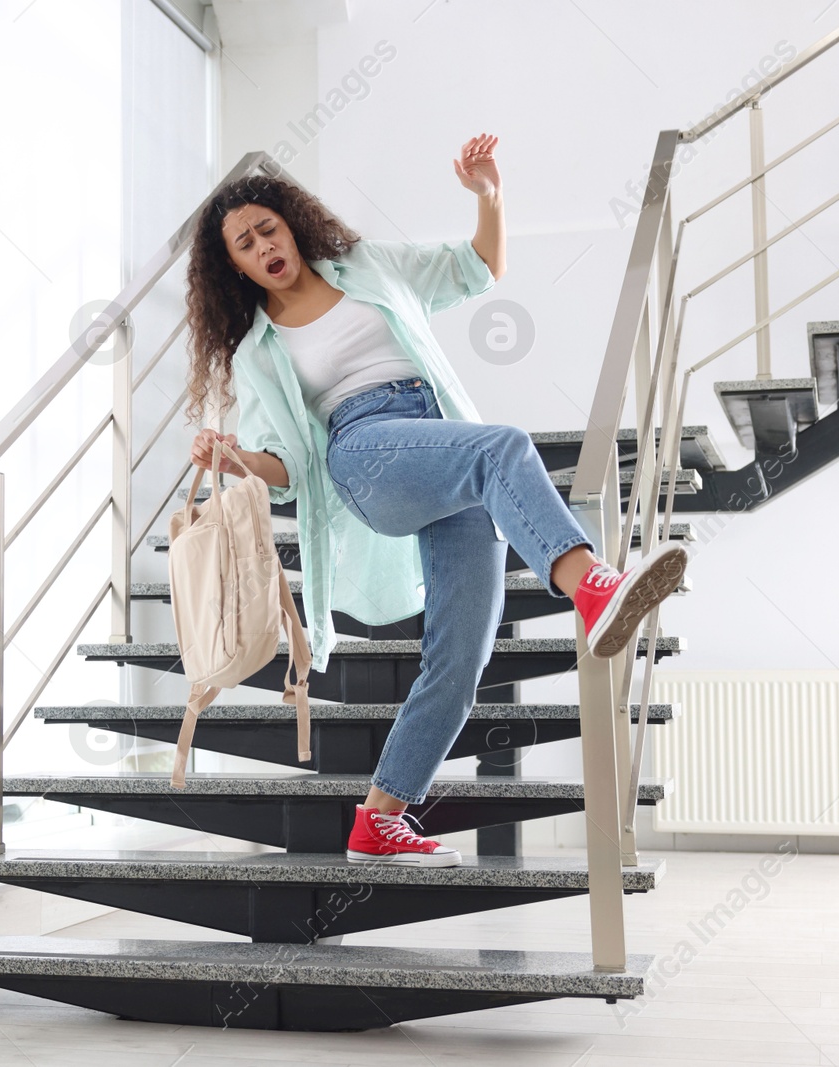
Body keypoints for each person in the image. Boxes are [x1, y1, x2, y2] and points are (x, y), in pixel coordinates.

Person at [183, 134, 688, 867]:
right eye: (245, 242)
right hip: (362, 454)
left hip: (437, 446)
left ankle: (379, 818)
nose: (264, 244)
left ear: (290, 225)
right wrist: (229, 454)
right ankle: (595, 590)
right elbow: (286, 464)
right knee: (504, 447)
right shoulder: (257, 351)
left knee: (459, 661)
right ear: (233, 264)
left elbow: (476, 268)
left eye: (269, 227)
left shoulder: (365, 266)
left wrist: (489, 196)